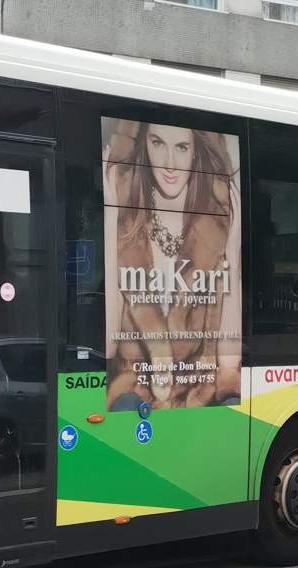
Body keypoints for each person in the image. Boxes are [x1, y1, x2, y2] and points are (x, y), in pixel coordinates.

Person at [103, 119, 241, 410]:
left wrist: (232, 244)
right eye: (158, 143)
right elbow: (107, 347)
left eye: (181, 147)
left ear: (194, 152)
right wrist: (110, 216)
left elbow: (229, 362)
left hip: (198, 401)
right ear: (144, 146)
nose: (169, 163)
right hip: (135, 397)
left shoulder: (213, 234)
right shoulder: (129, 228)